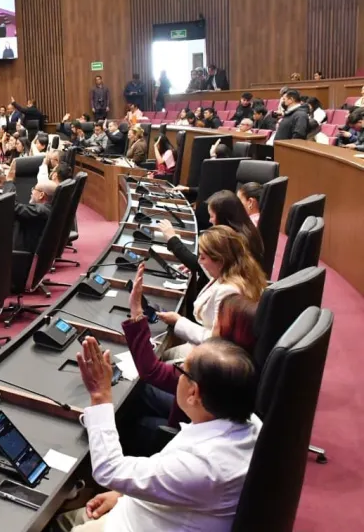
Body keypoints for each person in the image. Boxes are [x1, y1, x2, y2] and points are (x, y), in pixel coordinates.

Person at [55, 332, 258, 532]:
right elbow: (180, 487)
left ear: (193, 392)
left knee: (58, 523)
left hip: (131, 525)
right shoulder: (252, 424)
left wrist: (100, 396)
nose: (175, 373)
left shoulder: (204, 466)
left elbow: (108, 469)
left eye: (181, 370)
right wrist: (124, 495)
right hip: (146, 511)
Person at [118, 263, 258, 454]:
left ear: (229, 331)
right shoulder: (242, 358)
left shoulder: (212, 365)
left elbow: (152, 370)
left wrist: (136, 312)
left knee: (130, 423)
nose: (213, 322)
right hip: (196, 416)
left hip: (184, 434)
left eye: (219, 320)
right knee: (142, 390)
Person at [157, 225, 267, 346]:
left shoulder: (228, 291)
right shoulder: (237, 269)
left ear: (220, 260)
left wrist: (178, 321)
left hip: (211, 353)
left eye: (203, 257)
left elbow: (216, 340)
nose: (199, 261)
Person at [158, 189, 265, 280]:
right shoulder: (246, 228)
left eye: (212, 216)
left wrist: (172, 239)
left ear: (224, 217)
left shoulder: (233, 239)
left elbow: (198, 266)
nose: (210, 220)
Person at [4, 161, 57, 253]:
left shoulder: (40, 211)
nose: (31, 191)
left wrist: (9, 181)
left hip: (18, 257)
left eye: (34, 189)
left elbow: (11, 206)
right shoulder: (46, 208)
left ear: (41, 195)